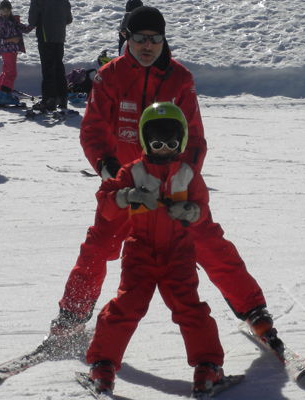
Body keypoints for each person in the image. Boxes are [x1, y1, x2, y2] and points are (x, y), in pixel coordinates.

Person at [48, 6, 280, 358]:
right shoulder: (109, 77)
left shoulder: (179, 79)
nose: (147, 46)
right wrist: (110, 172)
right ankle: (70, 320)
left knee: (207, 241)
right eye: (140, 38)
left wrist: (183, 179)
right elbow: (93, 129)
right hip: (129, 189)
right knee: (99, 247)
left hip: (173, 189)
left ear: (163, 40)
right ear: (127, 38)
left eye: (155, 39)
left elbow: (196, 139)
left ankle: (254, 312)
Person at [84, 102, 225, 396]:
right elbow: (106, 202)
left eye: (171, 142)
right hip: (141, 252)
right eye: (156, 142)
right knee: (127, 306)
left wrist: (189, 211)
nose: (163, 149)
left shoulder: (187, 174)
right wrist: (127, 196)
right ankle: (103, 363)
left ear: (182, 141)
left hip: (179, 254)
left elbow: (202, 209)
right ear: (145, 141)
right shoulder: (133, 172)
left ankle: (208, 364)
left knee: (189, 308)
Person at [28, 0, 72, 113]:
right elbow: (69, 19)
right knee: (58, 65)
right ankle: (62, 98)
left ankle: (49, 99)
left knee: (48, 67)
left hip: (46, 35)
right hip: (60, 36)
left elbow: (32, 20)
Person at [0, 0, 34, 106]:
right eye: (3, 10)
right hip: (7, 50)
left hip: (13, 50)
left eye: (8, 10)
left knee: (7, 71)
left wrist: (35, 22)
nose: (5, 12)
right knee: (11, 73)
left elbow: (26, 29)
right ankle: (5, 95)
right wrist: (11, 40)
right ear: (0, 11)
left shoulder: (14, 21)